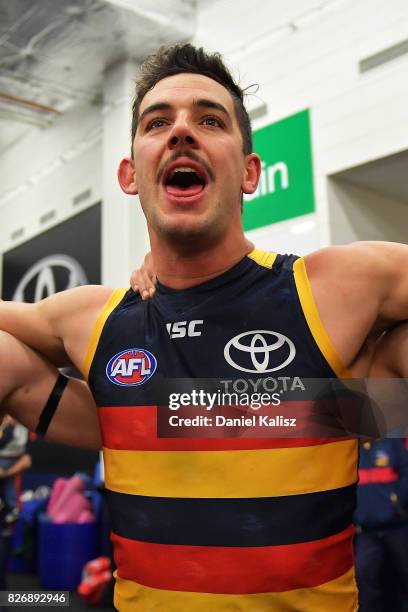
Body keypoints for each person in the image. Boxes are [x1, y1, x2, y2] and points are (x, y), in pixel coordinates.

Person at [0, 43, 408, 610]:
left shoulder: (335, 291)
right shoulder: (95, 320)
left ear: (249, 172)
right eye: (158, 121)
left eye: (210, 120)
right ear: (129, 174)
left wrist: (356, 406)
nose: (182, 132)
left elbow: (368, 402)